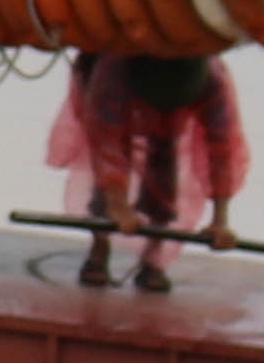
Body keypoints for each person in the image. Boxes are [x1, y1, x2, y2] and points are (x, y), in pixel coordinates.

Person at [53, 49, 248, 293]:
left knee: (164, 159)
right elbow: (106, 143)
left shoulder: (214, 83)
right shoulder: (113, 73)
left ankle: (153, 258)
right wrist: (118, 205)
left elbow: (224, 150)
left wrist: (220, 220)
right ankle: (99, 248)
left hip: (170, 95)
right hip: (113, 85)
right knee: (106, 173)